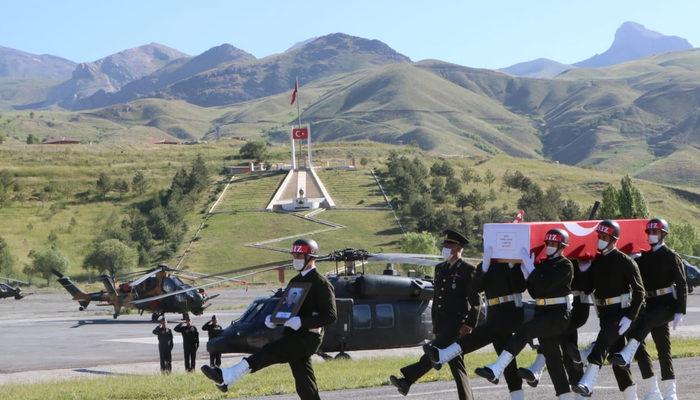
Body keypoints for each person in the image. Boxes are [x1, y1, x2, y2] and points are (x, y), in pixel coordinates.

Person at [201, 238, 337, 399]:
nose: (295, 260)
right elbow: (287, 307)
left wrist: (302, 322)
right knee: (304, 381)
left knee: (270, 351)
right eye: (294, 256)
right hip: (292, 335)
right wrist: (274, 320)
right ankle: (227, 379)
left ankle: (228, 376)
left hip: (309, 338)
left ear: (311, 257)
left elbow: (330, 315)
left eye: (299, 256)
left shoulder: (321, 283)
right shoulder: (295, 281)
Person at [472, 229, 574, 399]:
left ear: (562, 246)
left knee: (524, 331)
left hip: (557, 315)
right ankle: (566, 397)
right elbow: (536, 293)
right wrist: (529, 275)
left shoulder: (565, 265)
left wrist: (532, 271)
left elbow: (548, 285)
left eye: (554, 244)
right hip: (543, 313)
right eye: (548, 243)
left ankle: (497, 368)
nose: (550, 247)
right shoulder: (544, 264)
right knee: (553, 360)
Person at [423, 244, 527, 399]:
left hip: (510, 311)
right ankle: (516, 394)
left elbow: (520, 287)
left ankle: (445, 354)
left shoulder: (513, 264)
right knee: (507, 362)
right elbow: (476, 287)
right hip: (494, 313)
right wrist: (484, 268)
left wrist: (513, 267)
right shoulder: (485, 265)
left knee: (481, 335)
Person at [390, 229, 481, 400]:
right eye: (444, 244)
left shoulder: (468, 270)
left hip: (457, 325)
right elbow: (438, 298)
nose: (445, 247)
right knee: (456, 365)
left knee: (434, 351)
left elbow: (476, 300)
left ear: (458, 247)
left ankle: (407, 379)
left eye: (449, 244)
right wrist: (435, 323)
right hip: (441, 322)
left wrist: (469, 324)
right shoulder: (440, 269)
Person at [610, 218, 687, 400]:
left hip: (666, 304)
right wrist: (634, 259)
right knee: (654, 348)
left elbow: (682, 284)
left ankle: (671, 392)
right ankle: (656, 392)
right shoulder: (644, 258)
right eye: (650, 233)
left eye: (656, 233)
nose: (652, 236)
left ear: (663, 235)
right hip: (650, 304)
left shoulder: (671, 256)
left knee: (659, 344)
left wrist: (680, 310)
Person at [572, 220, 645, 398]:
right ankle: (631, 396)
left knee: (602, 344)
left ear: (613, 239)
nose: (600, 239)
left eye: (604, 237)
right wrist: (583, 270)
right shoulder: (597, 262)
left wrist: (630, 317)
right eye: (599, 236)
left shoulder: (625, 261)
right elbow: (587, 288)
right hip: (605, 314)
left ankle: (587, 383)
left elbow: (639, 292)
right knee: (615, 359)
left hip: (621, 314)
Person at [518, 257, 592, 394]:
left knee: (566, 345)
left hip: (576, 306)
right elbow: (538, 290)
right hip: (554, 308)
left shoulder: (576, 258)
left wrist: (584, 271)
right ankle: (579, 389)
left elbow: (587, 287)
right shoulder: (548, 259)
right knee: (566, 347)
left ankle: (537, 368)